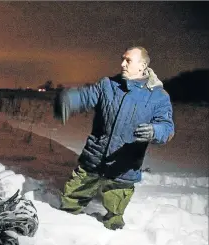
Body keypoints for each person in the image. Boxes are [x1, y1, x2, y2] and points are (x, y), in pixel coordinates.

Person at [53, 46, 175, 230]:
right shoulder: (107, 85)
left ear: (142, 65)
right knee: (69, 205)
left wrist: (154, 131)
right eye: (122, 59)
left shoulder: (158, 97)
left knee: (114, 218)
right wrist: (68, 99)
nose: (122, 64)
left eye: (128, 60)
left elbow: (167, 127)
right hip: (93, 160)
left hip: (124, 167)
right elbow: (86, 96)